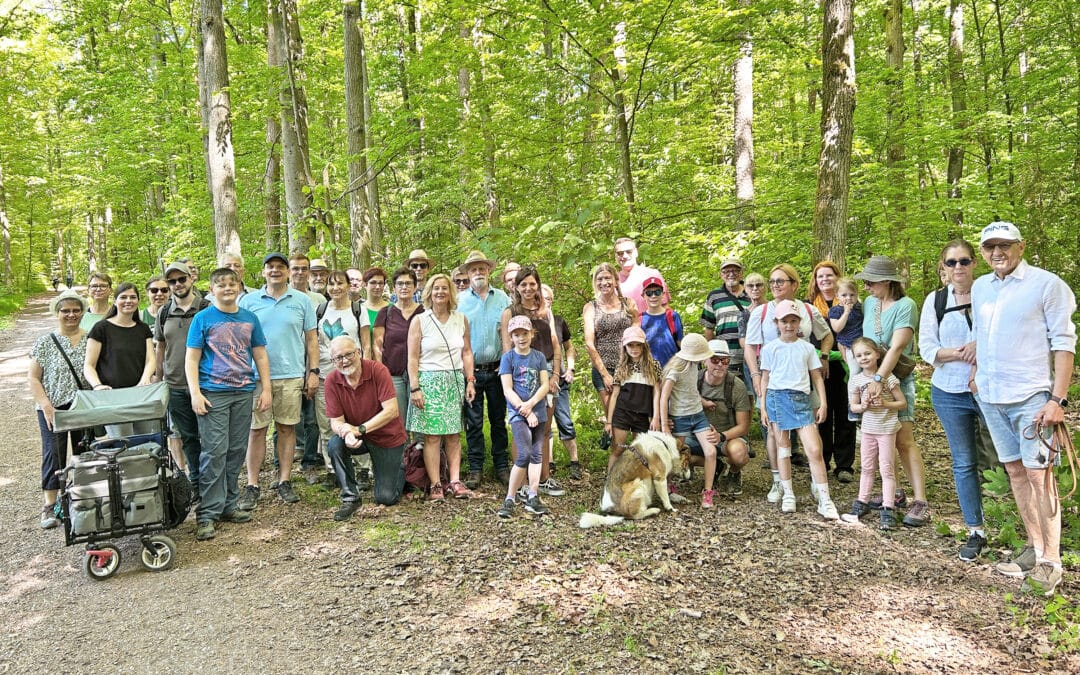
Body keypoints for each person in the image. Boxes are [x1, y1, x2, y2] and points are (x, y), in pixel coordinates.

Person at [972, 221, 1076, 596]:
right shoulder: (982, 287)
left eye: (1005, 245)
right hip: (992, 396)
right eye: (989, 247)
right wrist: (976, 375)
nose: (997, 253)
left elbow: (1064, 345)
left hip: (1033, 398)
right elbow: (982, 337)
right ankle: (1034, 548)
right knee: (1016, 472)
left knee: (1040, 476)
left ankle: (1051, 561)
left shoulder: (1048, 285)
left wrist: (1056, 400)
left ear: (1021, 245)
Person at [919, 239, 993, 560]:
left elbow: (1003, 338)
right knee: (964, 462)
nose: (958, 267)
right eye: (951, 263)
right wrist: (964, 351)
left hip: (991, 389)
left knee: (1011, 458)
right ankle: (976, 529)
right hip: (948, 391)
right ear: (944, 268)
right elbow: (926, 348)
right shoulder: (934, 301)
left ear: (975, 263)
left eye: (964, 261)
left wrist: (981, 349)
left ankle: (1029, 526)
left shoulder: (990, 295)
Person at [185, 267, 270, 541]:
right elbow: (191, 358)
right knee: (214, 452)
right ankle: (207, 514)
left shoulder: (250, 318)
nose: (227, 288)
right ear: (211, 290)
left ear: (239, 287)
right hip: (214, 393)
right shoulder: (202, 319)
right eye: (221, 285)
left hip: (243, 392)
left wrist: (265, 388)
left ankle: (228, 505)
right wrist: (195, 393)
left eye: (232, 283)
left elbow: (260, 355)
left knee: (235, 450)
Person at [236, 252, 320, 510]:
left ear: (287, 272)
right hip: (256, 378)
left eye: (280, 267)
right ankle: (252, 484)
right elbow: (238, 340)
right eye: (270, 267)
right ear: (263, 272)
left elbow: (311, 339)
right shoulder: (248, 301)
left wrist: (313, 371)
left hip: (291, 374)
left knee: (287, 428)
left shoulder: (301, 300)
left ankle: (284, 479)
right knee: (256, 430)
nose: (275, 271)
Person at [855, 255, 931, 527]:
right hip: (870, 380)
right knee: (883, 438)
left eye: (870, 282)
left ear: (886, 281)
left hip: (895, 380)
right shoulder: (870, 303)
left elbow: (897, 347)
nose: (866, 287)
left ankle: (920, 500)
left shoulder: (906, 306)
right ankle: (894, 493)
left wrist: (879, 378)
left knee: (903, 439)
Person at [745, 264, 833, 488]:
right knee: (774, 432)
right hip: (773, 380)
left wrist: (823, 357)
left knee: (811, 427)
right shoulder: (761, 312)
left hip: (804, 380)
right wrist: (755, 375)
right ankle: (779, 481)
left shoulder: (807, 310)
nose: (775, 285)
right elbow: (749, 346)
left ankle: (817, 480)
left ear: (794, 284)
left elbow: (827, 335)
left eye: (780, 281)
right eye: (772, 281)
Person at [758, 300, 838, 520]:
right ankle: (788, 493)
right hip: (777, 397)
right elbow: (765, 378)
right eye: (785, 321)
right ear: (777, 323)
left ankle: (824, 498)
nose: (789, 325)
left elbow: (816, 376)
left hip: (801, 399)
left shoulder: (807, 348)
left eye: (793, 321)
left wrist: (822, 402)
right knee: (783, 447)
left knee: (814, 448)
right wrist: (763, 406)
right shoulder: (770, 348)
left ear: (799, 322)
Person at [407, 273, 477, 500]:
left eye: (444, 289)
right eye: (436, 288)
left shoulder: (461, 319)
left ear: (450, 293)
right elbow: (412, 358)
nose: (440, 292)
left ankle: (455, 481)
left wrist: (470, 380)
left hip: (454, 380)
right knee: (432, 437)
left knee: (454, 435)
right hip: (429, 381)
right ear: (429, 292)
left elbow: (466, 352)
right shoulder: (420, 320)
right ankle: (436, 483)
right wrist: (415, 387)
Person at [325, 336, 409, 520]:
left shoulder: (377, 370)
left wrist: (359, 429)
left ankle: (402, 467)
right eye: (338, 357)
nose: (345, 360)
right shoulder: (331, 380)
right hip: (358, 435)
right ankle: (350, 498)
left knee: (386, 498)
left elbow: (392, 410)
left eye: (349, 354)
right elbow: (335, 422)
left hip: (387, 437)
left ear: (359, 353)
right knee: (334, 444)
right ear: (332, 361)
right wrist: (346, 432)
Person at [500, 266, 564, 496]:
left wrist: (556, 373)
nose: (528, 288)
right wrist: (511, 379)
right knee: (522, 426)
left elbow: (555, 344)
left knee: (544, 428)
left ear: (538, 285)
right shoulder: (511, 312)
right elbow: (507, 349)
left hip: (546, 371)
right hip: (520, 373)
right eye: (523, 284)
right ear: (516, 287)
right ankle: (522, 481)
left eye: (532, 284)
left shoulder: (545, 310)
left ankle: (543, 478)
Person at [28, 290, 90, 529]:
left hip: (83, 406)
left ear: (82, 312)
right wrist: (45, 404)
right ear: (57, 313)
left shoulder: (90, 338)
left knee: (84, 452)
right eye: (65, 311)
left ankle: (83, 499)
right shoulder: (45, 342)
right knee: (53, 453)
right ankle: (50, 504)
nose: (71, 315)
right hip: (51, 406)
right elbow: (33, 377)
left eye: (76, 310)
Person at [154, 261, 211, 495]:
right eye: (172, 281)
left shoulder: (207, 308)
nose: (178, 284)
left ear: (192, 279)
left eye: (181, 279)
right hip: (176, 384)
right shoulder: (164, 312)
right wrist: (159, 380)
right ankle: (197, 483)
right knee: (188, 438)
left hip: (207, 383)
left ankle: (215, 484)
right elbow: (160, 347)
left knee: (211, 438)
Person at [457, 250, 512, 488]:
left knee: (499, 420)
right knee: (474, 422)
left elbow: (511, 332)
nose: (478, 272)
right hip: (472, 371)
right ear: (467, 274)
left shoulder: (503, 299)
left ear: (489, 271)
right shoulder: (459, 301)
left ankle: (501, 465)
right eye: (473, 269)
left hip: (499, 369)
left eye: (482, 268)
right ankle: (476, 468)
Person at [313, 270, 369, 485]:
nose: (335, 288)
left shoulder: (358, 310)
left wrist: (366, 370)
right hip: (327, 375)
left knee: (357, 420)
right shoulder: (320, 311)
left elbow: (365, 343)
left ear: (348, 286)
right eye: (331, 284)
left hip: (354, 374)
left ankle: (363, 468)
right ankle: (332, 469)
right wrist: (314, 371)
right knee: (327, 423)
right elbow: (315, 344)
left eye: (340, 284)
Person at [843, 338, 906, 529]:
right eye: (859, 355)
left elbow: (902, 403)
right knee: (867, 467)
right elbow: (852, 406)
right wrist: (861, 406)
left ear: (877, 354)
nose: (864, 358)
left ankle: (888, 507)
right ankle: (862, 502)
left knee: (886, 469)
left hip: (886, 429)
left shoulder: (889, 378)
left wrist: (885, 404)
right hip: (868, 430)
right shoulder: (856, 380)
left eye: (867, 353)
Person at [83, 282, 156, 437]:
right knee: (122, 444)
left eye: (132, 297)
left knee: (146, 443)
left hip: (141, 395)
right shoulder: (101, 328)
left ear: (138, 301)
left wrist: (145, 380)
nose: (128, 301)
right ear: (115, 301)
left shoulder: (142, 328)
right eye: (123, 297)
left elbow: (151, 359)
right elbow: (89, 365)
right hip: (114, 397)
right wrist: (97, 386)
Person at [496, 316, 552, 518]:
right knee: (524, 454)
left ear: (531, 334)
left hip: (538, 410)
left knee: (537, 454)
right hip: (518, 414)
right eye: (516, 334)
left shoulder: (538, 357)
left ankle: (533, 495)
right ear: (511, 337)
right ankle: (510, 498)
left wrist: (532, 405)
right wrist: (524, 409)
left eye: (524, 333)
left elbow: (544, 384)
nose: (521, 338)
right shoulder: (508, 358)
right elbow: (507, 389)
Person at [807, 261, 857, 483]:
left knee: (846, 412)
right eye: (820, 277)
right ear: (815, 281)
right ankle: (823, 460)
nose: (825, 280)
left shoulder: (850, 301)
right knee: (822, 414)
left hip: (847, 364)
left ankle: (844, 464)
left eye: (829, 275)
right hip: (819, 364)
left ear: (837, 277)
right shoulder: (809, 306)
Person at [660, 334, 719, 509]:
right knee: (675, 456)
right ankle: (668, 488)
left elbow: (692, 390)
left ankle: (707, 493)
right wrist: (665, 424)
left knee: (711, 452)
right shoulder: (675, 371)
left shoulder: (694, 365)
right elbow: (664, 398)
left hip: (698, 414)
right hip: (679, 417)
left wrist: (704, 402)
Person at [689, 340, 751, 496]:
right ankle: (716, 467)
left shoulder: (736, 385)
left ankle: (734, 473)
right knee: (675, 452)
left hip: (727, 436)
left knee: (739, 454)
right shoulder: (693, 381)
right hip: (696, 435)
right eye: (715, 360)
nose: (720, 365)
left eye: (725, 361)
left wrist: (721, 436)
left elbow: (743, 426)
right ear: (704, 360)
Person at [286, 252, 327, 481]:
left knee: (311, 417)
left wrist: (314, 367)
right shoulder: (280, 297)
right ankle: (281, 464)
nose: (300, 273)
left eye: (304, 269)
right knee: (285, 416)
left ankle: (310, 461)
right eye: (295, 268)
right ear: (289, 271)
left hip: (311, 361)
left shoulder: (318, 300)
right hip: (287, 364)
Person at [583, 262, 638, 422]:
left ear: (615, 280)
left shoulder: (628, 303)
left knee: (634, 415)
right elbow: (589, 343)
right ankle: (616, 446)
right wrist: (605, 375)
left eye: (607, 278)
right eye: (599, 279)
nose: (604, 282)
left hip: (628, 365)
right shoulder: (591, 307)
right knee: (613, 417)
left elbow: (636, 332)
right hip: (604, 368)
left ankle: (635, 447)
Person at [374, 268, 425, 433]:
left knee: (421, 420)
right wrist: (381, 374)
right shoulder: (386, 312)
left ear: (415, 286)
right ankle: (402, 458)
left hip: (420, 374)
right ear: (394, 288)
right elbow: (377, 346)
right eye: (400, 284)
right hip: (393, 375)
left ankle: (421, 456)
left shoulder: (424, 312)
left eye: (408, 283)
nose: (404, 287)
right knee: (398, 421)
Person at [604, 326, 662, 468]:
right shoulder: (621, 366)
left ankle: (636, 482)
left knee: (640, 450)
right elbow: (615, 395)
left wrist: (656, 417)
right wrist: (609, 422)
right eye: (630, 345)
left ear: (644, 346)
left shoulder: (653, 366)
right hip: (623, 412)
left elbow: (656, 392)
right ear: (625, 346)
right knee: (618, 448)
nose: (634, 349)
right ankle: (610, 483)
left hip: (642, 414)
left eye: (638, 345)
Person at [542, 283, 581, 480]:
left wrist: (571, 368)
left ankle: (574, 461)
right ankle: (549, 462)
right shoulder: (533, 321)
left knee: (564, 420)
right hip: (540, 379)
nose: (544, 302)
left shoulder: (559, 321)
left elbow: (569, 347)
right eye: (541, 298)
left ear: (552, 300)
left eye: (548, 298)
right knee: (544, 423)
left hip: (561, 377)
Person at [701, 258, 749, 371]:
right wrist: (712, 354)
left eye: (735, 271)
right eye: (726, 271)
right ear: (721, 274)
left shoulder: (751, 292)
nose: (731, 274)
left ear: (741, 273)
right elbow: (709, 328)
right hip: (724, 358)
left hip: (750, 356)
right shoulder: (714, 296)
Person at [614, 237, 667, 314]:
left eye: (629, 252)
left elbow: (665, 307)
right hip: (626, 325)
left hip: (653, 325)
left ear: (636, 252)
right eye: (620, 253)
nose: (624, 256)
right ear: (616, 257)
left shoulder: (652, 275)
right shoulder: (612, 282)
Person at [640, 276, 683, 367]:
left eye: (657, 292)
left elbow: (680, 342)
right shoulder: (640, 319)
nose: (653, 296)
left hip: (672, 368)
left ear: (663, 294)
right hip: (648, 370)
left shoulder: (672, 316)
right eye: (649, 293)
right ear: (643, 296)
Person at [827, 277, 863, 376]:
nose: (848, 298)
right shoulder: (835, 311)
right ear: (837, 296)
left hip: (864, 344)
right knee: (855, 372)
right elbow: (837, 328)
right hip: (848, 346)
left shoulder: (860, 307)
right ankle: (853, 391)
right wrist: (846, 312)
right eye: (844, 295)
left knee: (868, 372)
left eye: (852, 295)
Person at [361, 267, 389, 358]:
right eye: (373, 283)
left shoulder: (393, 309)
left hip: (389, 362)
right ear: (364, 284)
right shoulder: (357, 310)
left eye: (381, 283)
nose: (377, 287)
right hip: (364, 361)